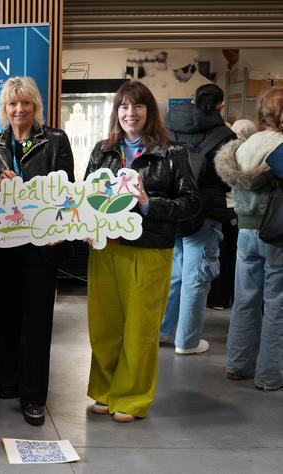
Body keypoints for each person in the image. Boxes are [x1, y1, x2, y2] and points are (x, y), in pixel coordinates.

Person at [85, 81, 200, 423]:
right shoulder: (103, 150)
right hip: (106, 248)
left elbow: (192, 203)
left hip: (149, 250)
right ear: (116, 112)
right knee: (104, 327)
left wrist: (150, 204)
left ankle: (132, 398)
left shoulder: (172, 152)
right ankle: (105, 390)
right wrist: (86, 225)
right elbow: (86, 196)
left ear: (149, 111)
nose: (130, 113)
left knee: (140, 329)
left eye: (137, 106)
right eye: (123, 106)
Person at [0, 76, 74, 426]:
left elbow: (66, 188)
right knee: (4, 316)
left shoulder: (55, 140)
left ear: (36, 107)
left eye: (26, 103)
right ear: (5, 108)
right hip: (5, 241)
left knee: (36, 321)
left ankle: (33, 396)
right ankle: (9, 382)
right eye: (13, 103)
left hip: (41, 243)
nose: (19, 109)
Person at [214, 87, 283, 392]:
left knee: (244, 300)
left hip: (244, 231)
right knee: (276, 304)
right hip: (276, 233)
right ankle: (270, 375)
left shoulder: (243, 146)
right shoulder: (280, 147)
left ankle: (237, 365)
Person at [160, 84, 236, 355]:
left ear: (193, 99)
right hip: (206, 210)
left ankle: (161, 331)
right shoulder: (225, 135)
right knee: (196, 276)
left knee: (174, 274)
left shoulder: (170, 128)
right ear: (220, 104)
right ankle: (187, 341)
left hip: (174, 208)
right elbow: (228, 178)